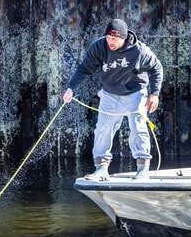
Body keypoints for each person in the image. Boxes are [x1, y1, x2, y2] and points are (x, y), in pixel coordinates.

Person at [63, 18, 163, 181]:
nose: (111, 42)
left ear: (124, 38)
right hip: (110, 93)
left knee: (138, 127)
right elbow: (84, 68)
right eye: (109, 38)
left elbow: (156, 68)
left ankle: (142, 170)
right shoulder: (100, 46)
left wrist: (154, 94)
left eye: (115, 39)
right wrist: (71, 88)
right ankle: (101, 169)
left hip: (135, 92)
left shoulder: (139, 51)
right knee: (103, 129)